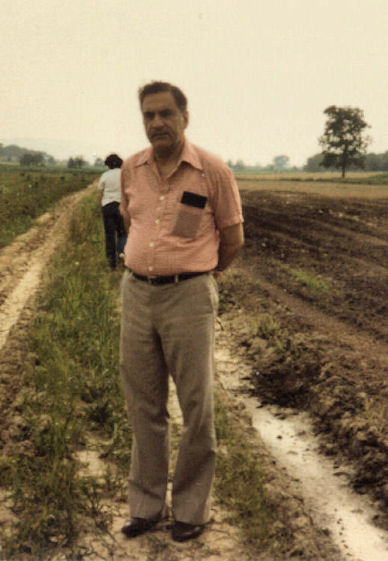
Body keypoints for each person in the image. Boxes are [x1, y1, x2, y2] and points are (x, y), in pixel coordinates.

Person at [119, 81, 244, 542]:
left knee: (196, 406)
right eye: (149, 115)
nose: (157, 123)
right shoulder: (132, 168)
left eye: (165, 114)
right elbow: (133, 223)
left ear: (184, 117)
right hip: (136, 295)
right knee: (143, 404)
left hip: (189, 296)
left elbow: (232, 240)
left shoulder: (212, 170)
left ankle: (191, 510)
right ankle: (147, 507)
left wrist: (197, 280)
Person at [98, 153, 127, 270]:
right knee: (123, 232)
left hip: (108, 206)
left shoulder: (105, 176)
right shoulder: (125, 175)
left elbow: (100, 194)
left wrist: (101, 208)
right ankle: (122, 254)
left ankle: (111, 263)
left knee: (109, 234)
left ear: (108, 165)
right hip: (121, 206)